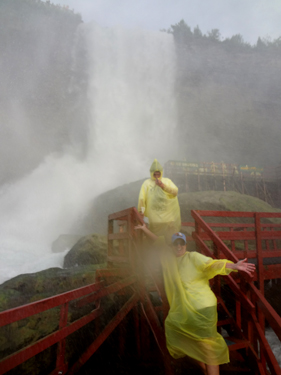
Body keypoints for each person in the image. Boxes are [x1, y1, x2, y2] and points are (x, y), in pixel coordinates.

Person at [135, 224, 255, 375]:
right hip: (185, 309)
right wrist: (145, 229)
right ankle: (206, 370)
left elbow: (212, 264)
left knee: (208, 348)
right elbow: (159, 243)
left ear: (185, 244)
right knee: (175, 331)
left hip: (202, 308)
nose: (179, 247)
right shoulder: (168, 258)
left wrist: (233, 265)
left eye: (181, 243)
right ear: (171, 246)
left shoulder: (193, 257)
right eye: (175, 244)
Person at [138, 159, 181, 236]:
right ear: (151, 173)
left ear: (161, 173)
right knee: (155, 237)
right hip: (153, 219)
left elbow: (175, 192)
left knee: (169, 238)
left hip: (168, 218)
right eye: (155, 174)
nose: (157, 176)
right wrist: (141, 211)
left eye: (158, 174)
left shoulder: (167, 181)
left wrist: (162, 186)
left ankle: (169, 246)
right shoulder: (147, 183)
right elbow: (142, 199)